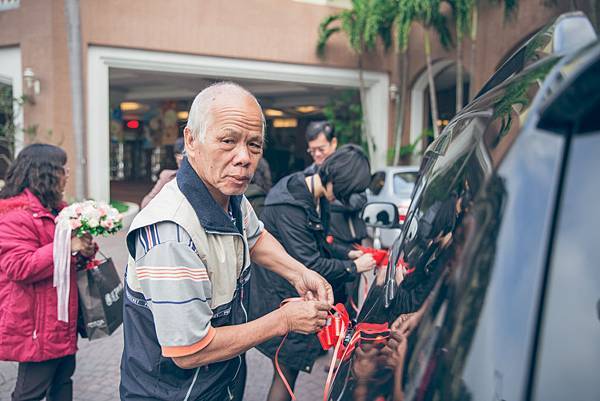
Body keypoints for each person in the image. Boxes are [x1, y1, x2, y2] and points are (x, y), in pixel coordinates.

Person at [119, 82, 334, 401]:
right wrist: (284, 320)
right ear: (191, 141)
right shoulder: (169, 233)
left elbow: (255, 235)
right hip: (173, 393)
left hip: (219, 382)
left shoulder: (228, 194)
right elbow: (189, 350)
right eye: (228, 141)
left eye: (254, 145)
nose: (244, 158)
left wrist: (298, 272)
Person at [250, 144, 377, 401]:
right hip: (281, 297)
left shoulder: (314, 194)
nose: (340, 199)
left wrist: (346, 253)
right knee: (285, 371)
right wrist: (354, 267)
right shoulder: (290, 205)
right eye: (342, 193)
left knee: (288, 371)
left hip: (297, 291)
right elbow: (311, 263)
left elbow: (321, 241)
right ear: (334, 179)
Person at [0, 144, 96, 401]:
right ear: (47, 173)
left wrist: (84, 250)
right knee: (30, 393)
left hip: (61, 319)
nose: (67, 175)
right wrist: (67, 246)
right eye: (64, 169)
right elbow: (19, 266)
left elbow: (65, 261)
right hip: (36, 322)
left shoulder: (58, 211)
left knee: (63, 383)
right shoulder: (15, 215)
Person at [304, 121, 368, 251]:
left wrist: (326, 197)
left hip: (349, 240)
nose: (317, 154)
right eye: (312, 150)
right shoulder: (308, 175)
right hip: (322, 239)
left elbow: (358, 200)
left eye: (321, 149)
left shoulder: (348, 168)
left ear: (333, 143)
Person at [140, 137, 185, 208]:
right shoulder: (168, 176)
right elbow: (146, 203)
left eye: (184, 155)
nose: (180, 158)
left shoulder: (202, 178)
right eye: (177, 154)